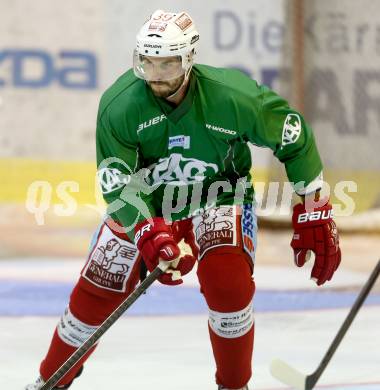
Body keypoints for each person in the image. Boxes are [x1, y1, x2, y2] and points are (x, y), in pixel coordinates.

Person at [26, 9, 341, 390]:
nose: (156, 77)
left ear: (189, 58)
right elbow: (117, 180)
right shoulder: (120, 107)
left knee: (228, 283)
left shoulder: (231, 96)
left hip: (219, 194)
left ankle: (233, 385)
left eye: (168, 64)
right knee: (99, 287)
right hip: (149, 202)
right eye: (148, 64)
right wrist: (146, 231)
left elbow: (291, 132)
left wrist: (313, 205)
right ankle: (47, 382)